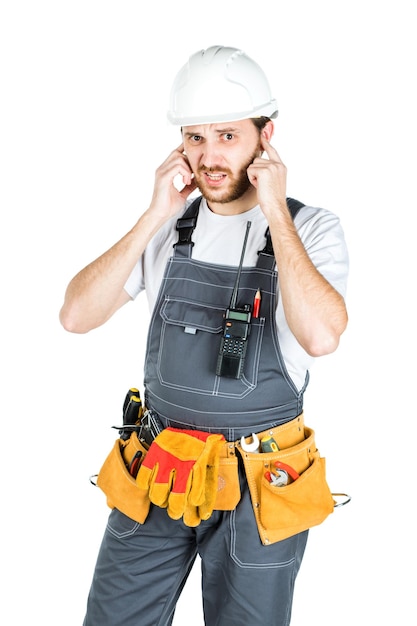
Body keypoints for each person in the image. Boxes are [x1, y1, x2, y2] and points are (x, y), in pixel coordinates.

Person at [60, 45, 349, 626]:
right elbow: (75, 316)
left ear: (266, 137)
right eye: (195, 138)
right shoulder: (171, 227)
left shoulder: (310, 228)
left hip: (259, 484)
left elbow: (321, 337)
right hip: (159, 470)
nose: (209, 156)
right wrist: (152, 215)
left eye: (227, 136)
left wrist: (276, 214)